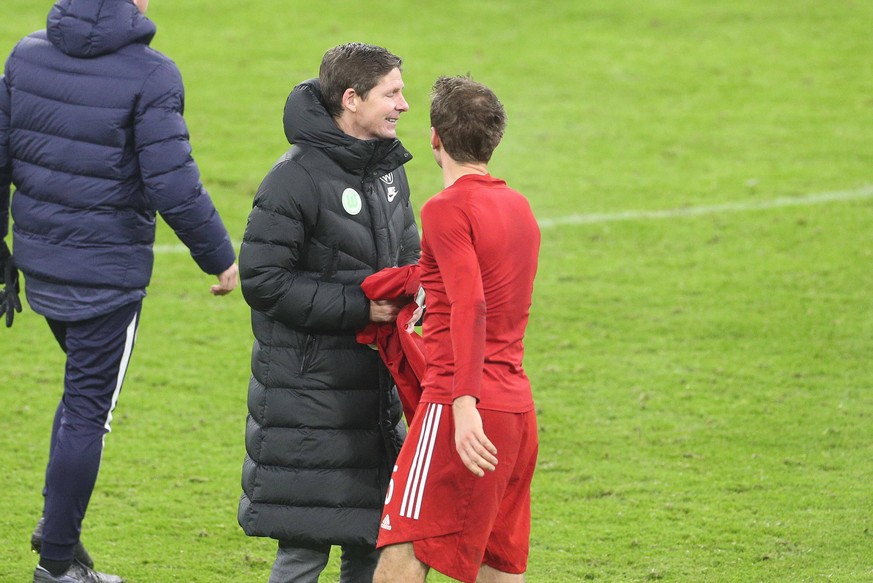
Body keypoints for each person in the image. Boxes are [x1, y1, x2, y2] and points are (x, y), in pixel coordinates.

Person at [0, 0, 239, 581]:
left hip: (42, 267)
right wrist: (220, 256)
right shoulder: (152, 72)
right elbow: (172, 181)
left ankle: (58, 531)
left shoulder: (26, 56)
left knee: (78, 396)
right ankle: (57, 562)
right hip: (106, 281)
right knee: (89, 410)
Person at [237, 43, 420, 583]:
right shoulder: (295, 177)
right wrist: (362, 306)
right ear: (351, 99)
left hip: (373, 392)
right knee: (305, 552)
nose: (404, 105)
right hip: (309, 398)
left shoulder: (387, 169)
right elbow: (263, 280)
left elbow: (406, 255)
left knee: (369, 544)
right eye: (392, 93)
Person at [373, 76, 541, 583]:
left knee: (403, 548)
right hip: (515, 407)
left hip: (458, 403)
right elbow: (471, 286)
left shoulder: (446, 208)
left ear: (434, 138)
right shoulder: (519, 208)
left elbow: (471, 303)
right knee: (499, 557)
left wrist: (463, 405)